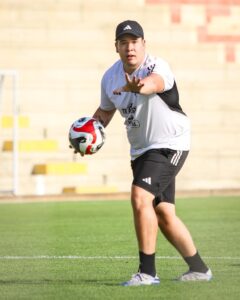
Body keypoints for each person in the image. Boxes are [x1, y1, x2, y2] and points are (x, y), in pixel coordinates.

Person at [92, 20, 212, 286]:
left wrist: (140, 86)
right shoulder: (109, 77)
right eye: (124, 43)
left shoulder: (157, 66)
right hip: (141, 151)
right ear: (116, 47)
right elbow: (105, 110)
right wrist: (90, 131)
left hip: (170, 143)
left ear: (144, 44)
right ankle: (199, 269)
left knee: (140, 196)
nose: (130, 47)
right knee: (164, 213)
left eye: (134, 42)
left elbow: (154, 84)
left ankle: (147, 272)